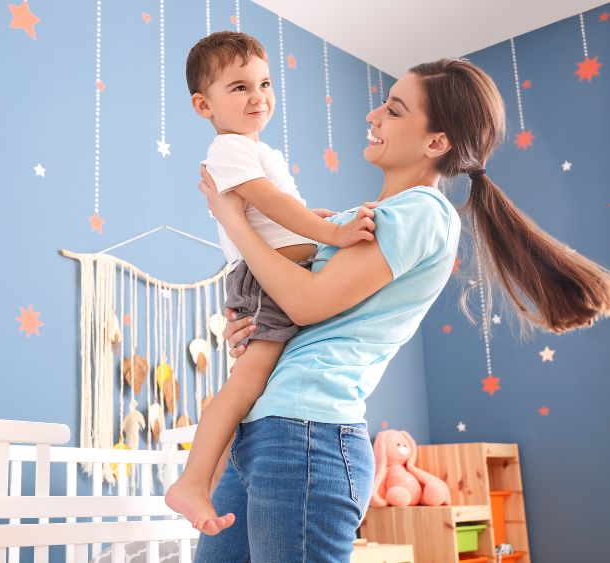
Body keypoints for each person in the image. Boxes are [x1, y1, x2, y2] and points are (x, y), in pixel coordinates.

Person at [192, 57, 610, 562]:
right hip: (267, 428)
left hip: (306, 432)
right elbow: (284, 298)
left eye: (393, 109)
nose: (373, 115)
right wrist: (251, 324)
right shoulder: (352, 219)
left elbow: (305, 300)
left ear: (436, 143)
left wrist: (231, 216)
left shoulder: (420, 213)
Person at [164, 31, 376, 535]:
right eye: (239, 88)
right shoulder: (228, 148)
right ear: (203, 104)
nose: (258, 96)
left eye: (264, 83)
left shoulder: (260, 151)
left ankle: (208, 479)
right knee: (247, 381)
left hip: (279, 271)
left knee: (255, 388)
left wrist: (314, 221)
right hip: (262, 280)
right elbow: (270, 203)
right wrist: (330, 231)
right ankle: (192, 481)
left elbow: (283, 211)